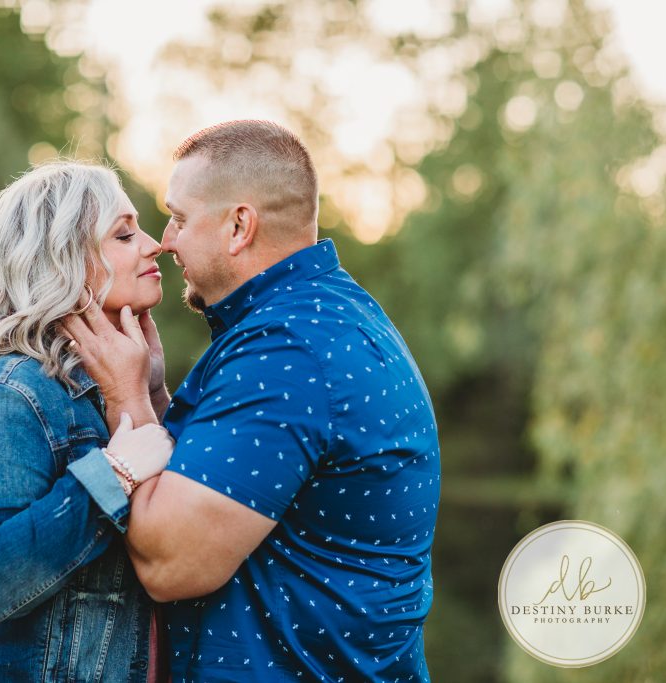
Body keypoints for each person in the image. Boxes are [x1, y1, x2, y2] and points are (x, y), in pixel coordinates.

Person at [66, 121, 441, 682]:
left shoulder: (288, 353)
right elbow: (215, 479)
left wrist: (124, 395)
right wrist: (153, 393)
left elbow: (171, 563)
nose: (166, 240)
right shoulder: (321, 317)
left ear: (239, 226)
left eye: (180, 218)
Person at [0, 160, 176, 683]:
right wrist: (115, 475)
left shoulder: (112, 390)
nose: (154, 244)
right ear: (65, 260)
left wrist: (149, 390)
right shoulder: (8, 397)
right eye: (125, 234)